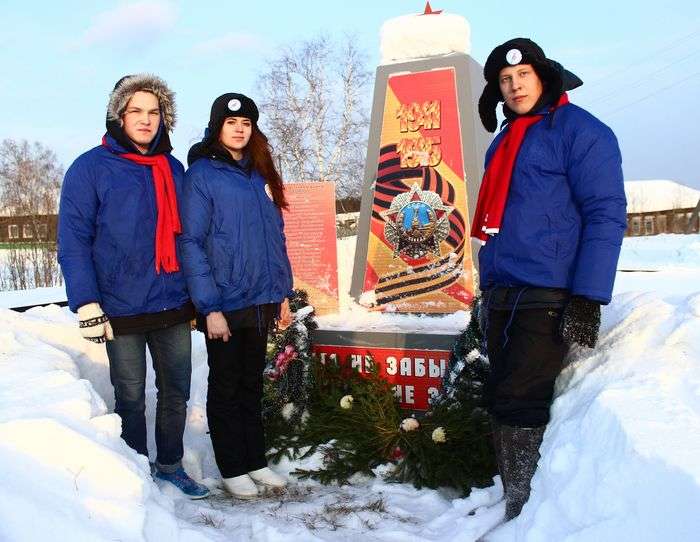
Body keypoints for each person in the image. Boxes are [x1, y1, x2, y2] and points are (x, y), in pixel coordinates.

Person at [473, 38, 627, 519]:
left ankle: (525, 514)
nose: (515, 85)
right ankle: (516, 500)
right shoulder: (505, 138)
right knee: (501, 391)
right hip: (503, 289)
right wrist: (485, 288)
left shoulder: (581, 131)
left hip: (548, 291)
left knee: (521, 397)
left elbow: (605, 213)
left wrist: (588, 296)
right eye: (504, 79)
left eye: (523, 76)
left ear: (543, 75)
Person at [58, 74, 209, 499]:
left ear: (165, 119)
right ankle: (135, 468)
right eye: (136, 111)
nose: (145, 120)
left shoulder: (172, 169)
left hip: (173, 302)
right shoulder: (90, 168)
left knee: (176, 390)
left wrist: (199, 295)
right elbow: (73, 240)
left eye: (154, 112)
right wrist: (86, 302)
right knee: (130, 396)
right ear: (118, 116)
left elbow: (188, 238)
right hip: (120, 306)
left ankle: (170, 464)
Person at [180, 92, 294, 499]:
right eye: (231, 123)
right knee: (226, 385)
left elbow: (275, 238)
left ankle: (254, 462)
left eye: (246, 122)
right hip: (225, 304)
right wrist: (208, 307)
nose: (240, 128)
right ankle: (232, 467)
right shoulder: (202, 175)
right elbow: (191, 242)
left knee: (251, 383)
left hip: (261, 299)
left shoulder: (261, 174)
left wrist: (282, 293)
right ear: (217, 127)